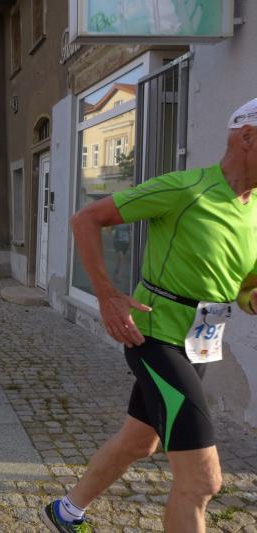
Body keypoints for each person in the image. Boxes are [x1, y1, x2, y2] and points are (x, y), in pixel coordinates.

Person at [41, 98, 257, 533]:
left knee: (140, 441)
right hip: (155, 339)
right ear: (248, 137)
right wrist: (107, 296)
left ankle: (66, 511)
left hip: (200, 343)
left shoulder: (253, 207)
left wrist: (251, 297)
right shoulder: (186, 188)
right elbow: (87, 219)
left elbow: (244, 285)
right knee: (202, 481)